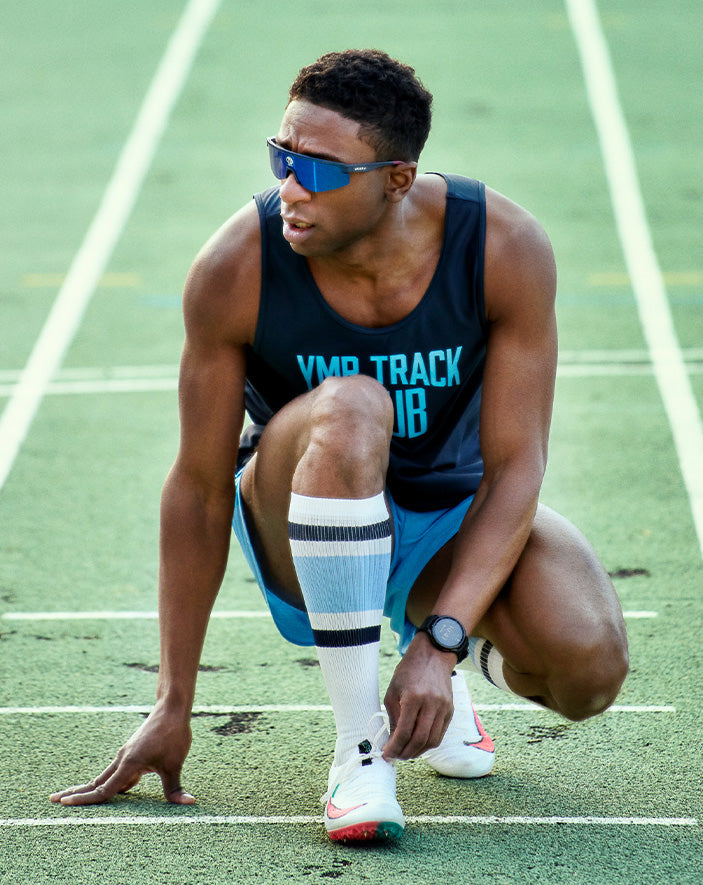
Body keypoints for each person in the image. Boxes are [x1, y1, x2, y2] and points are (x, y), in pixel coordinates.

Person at [51, 49, 629, 842]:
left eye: (319, 171)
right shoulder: (237, 266)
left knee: (590, 670)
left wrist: (441, 644)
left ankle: (438, 679)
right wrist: (173, 700)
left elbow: (517, 467)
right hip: (302, 511)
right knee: (355, 407)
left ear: (397, 179)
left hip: (442, 514)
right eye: (282, 157)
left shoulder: (501, 248)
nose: (290, 187)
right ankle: (360, 749)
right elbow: (197, 485)